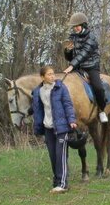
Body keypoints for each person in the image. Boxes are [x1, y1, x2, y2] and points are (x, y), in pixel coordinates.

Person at [29, 65, 77, 193]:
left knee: (61, 155)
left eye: (53, 73)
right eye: (49, 74)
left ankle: (63, 184)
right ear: (42, 77)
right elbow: (37, 108)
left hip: (61, 127)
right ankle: (56, 181)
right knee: (53, 156)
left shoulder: (60, 87)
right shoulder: (38, 91)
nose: (52, 76)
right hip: (47, 127)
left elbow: (68, 104)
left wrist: (71, 120)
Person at [63, 13, 109, 124]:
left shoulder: (91, 37)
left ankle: (102, 110)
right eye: (74, 26)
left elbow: (84, 53)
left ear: (83, 25)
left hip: (91, 67)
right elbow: (69, 57)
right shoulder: (72, 37)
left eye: (77, 26)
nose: (75, 28)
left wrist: (71, 66)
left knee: (98, 88)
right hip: (77, 68)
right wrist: (67, 51)